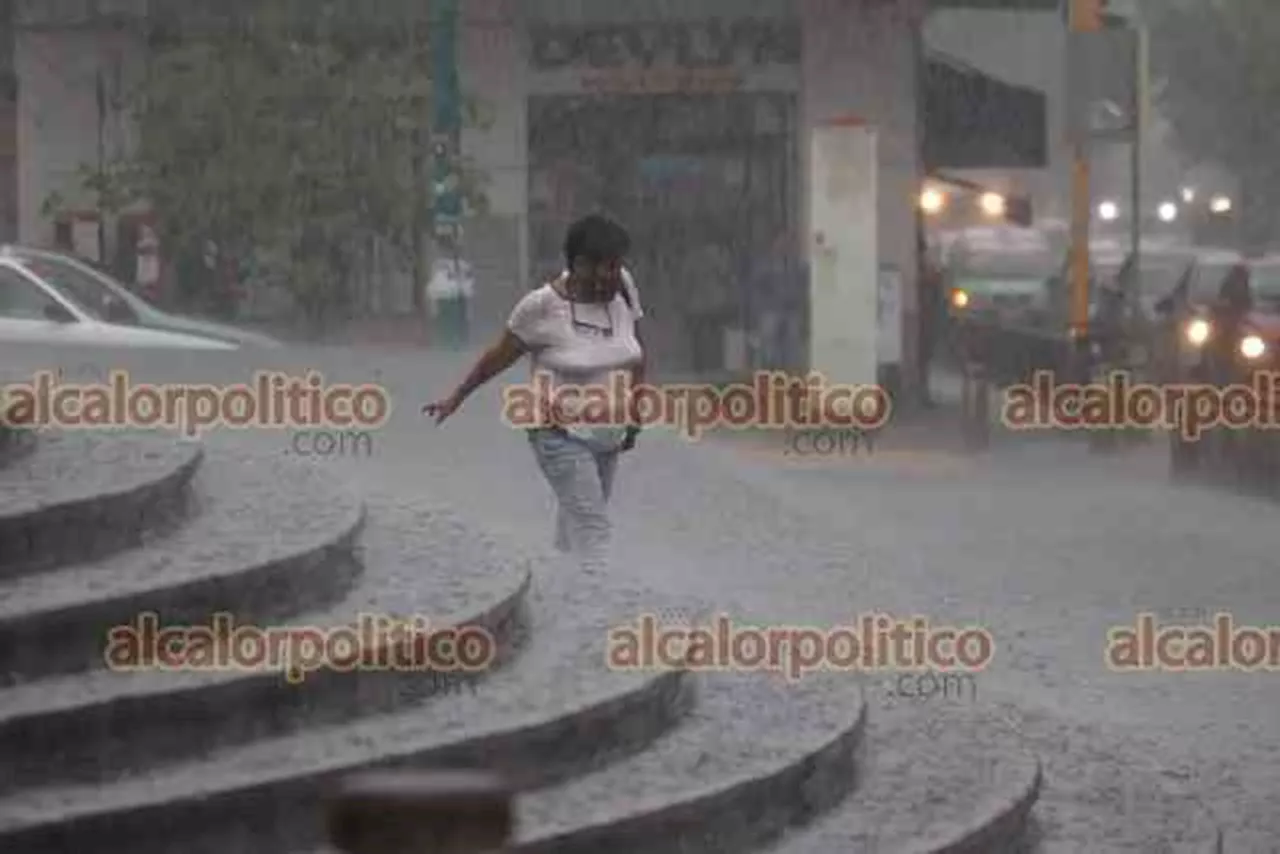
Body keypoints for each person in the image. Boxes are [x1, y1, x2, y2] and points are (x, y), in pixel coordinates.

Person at [423, 214, 645, 570]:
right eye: (604, 269)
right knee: (593, 528)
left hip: (608, 433)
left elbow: (636, 351)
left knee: (576, 522)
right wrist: (456, 398)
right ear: (579, 265)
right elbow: (496, 358)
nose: (611, 278)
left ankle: (559, 589)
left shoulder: (623, 288)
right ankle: (599, 609)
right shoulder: (541, 307)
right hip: (558, 434)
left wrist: (635, 414)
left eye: (618, 267)